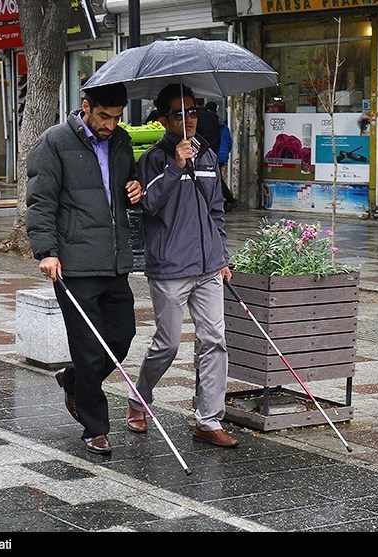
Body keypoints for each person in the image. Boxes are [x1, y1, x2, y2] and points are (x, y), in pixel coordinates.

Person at [26, 83, 143, 456]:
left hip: (114, 261)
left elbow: (129, 185)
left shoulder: (122, 142)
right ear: (86, 107)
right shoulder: (55, 142)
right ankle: (95, 427)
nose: (111, 124)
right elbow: (40, 200)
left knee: (122, 338)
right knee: (89, 347)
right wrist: (46, 250)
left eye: (117, 117)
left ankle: (74, 379)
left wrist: (136, 189)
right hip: (73, 263)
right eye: (104, 116)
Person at [129, 83, 240, 448]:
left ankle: (208, 420)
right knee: (167, 343)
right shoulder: (153, 160)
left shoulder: (207, 155)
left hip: (208, 266)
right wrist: (176, 166)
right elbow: (148, 206)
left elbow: (216, 210)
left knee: (215, 341)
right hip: (170, 267)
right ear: (162, 119)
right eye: (178, 113)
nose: (189, 119)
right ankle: (139, 398)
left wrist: (221, 256)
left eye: (192, 111)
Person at [198, 101, 237, 212]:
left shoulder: (205, 121)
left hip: (213, 153)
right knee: (216, 176)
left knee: (215, 178)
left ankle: (227, 199)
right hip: (221, 154)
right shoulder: (221, 124)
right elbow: (229, 142)